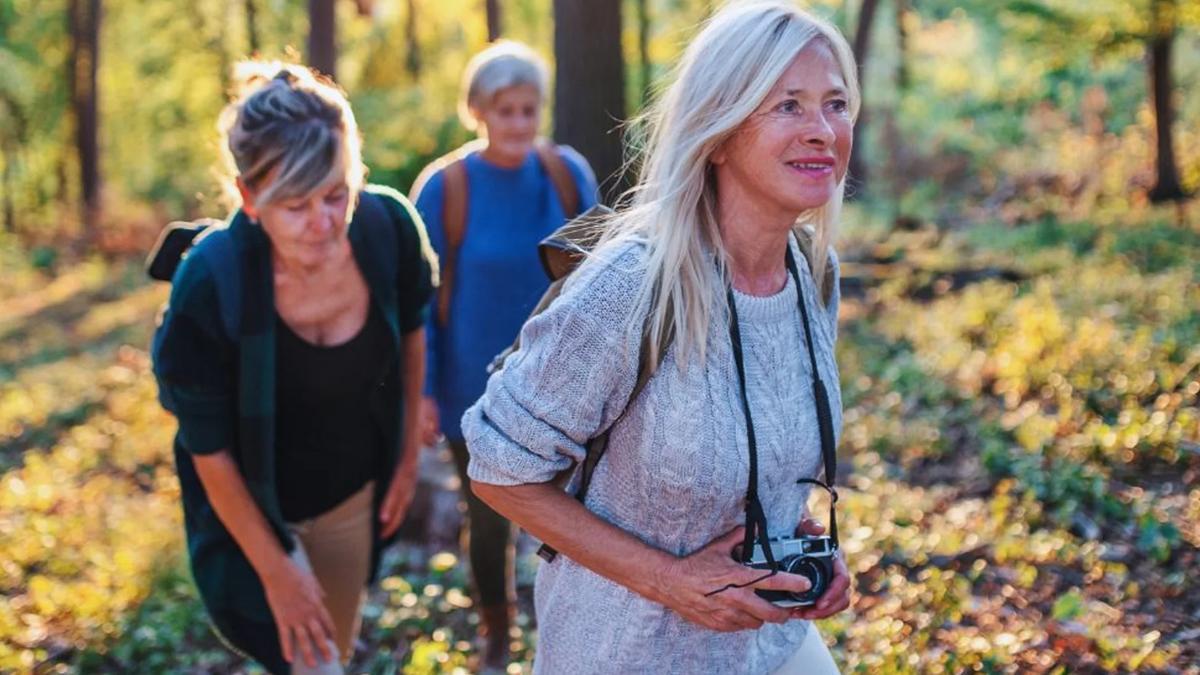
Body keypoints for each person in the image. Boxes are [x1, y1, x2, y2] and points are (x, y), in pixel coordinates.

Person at [462, 3, 858, 673]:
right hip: (626, 652)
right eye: (788, 105)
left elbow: (755, 445)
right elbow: (498, 467)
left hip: (767, 644)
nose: (823, 130)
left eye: (836, 103)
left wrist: (799, 538)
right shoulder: (633, 282)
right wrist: (669, 579)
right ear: (721, 129)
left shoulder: (812, 273)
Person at [151, 61, 436, 674]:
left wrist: (410, 452)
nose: (325, 223)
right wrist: (277, 569)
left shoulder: (388, 229)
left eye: (337, 194)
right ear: (250, 198)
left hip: (350, 496)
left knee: (329, 649)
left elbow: (413, 331)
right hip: (248, 507)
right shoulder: (210, 282)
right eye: (296, 205)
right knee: (297, 657)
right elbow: (209, 449)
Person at [410, 40, 598, 671]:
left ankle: (568, 634)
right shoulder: (445, 188)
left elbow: (603, 278)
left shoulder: (567, 175)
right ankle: (497, 632)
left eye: (528, 110)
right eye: (505, 111)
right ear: (479, 112)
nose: (518, 124)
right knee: (491, 516)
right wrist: (424, 390)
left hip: (562, 380)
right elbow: (419, 300)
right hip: (474, 386)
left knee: (572, 518)